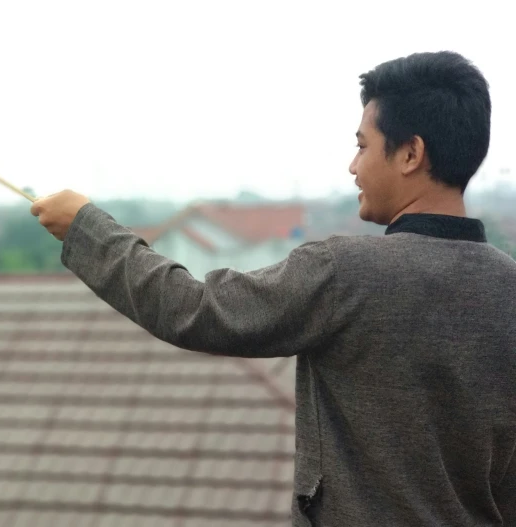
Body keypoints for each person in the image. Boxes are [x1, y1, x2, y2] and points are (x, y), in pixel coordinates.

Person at [30, 51, 516, 526]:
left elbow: (196, 309)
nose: (352, 166)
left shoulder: (346, 272)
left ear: (410, 153)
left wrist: (87, 229)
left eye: (363, 145)